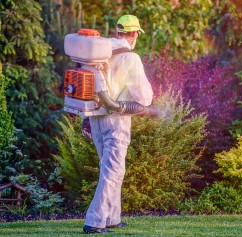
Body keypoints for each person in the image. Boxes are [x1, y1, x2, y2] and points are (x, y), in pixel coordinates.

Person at [83, 15, 153, 234]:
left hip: (95, 117)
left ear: (117, 32)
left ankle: (112, 217)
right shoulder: (130, 58)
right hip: (116, 119)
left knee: (110, 168)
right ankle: (94, 221)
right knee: (113, 171)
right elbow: (144, 97)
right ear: (134, 34)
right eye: (136, 35)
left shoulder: (99, 53)